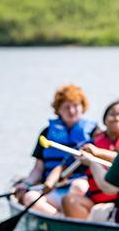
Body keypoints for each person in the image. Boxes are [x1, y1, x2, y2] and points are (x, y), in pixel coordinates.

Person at [14, 84, 99, 215]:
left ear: (83, 107)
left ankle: (71, 214)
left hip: (80, 188)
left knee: (79, 185)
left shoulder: (94, 132)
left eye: (75, 106)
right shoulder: (47, 133)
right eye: (66, 107)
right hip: (52, 189)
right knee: (30, 197)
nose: (71, 111)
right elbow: (38, 169)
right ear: (58, 110)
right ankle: (58, 218)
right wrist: (26, 184)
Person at [61, 100, 119, 220]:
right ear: (105, 119)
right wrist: (51, 181)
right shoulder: (90, 145)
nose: (117, 118)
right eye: (112, 114)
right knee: (69, 200)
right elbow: (64, 166)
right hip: (96, 200)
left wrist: (97, 154)